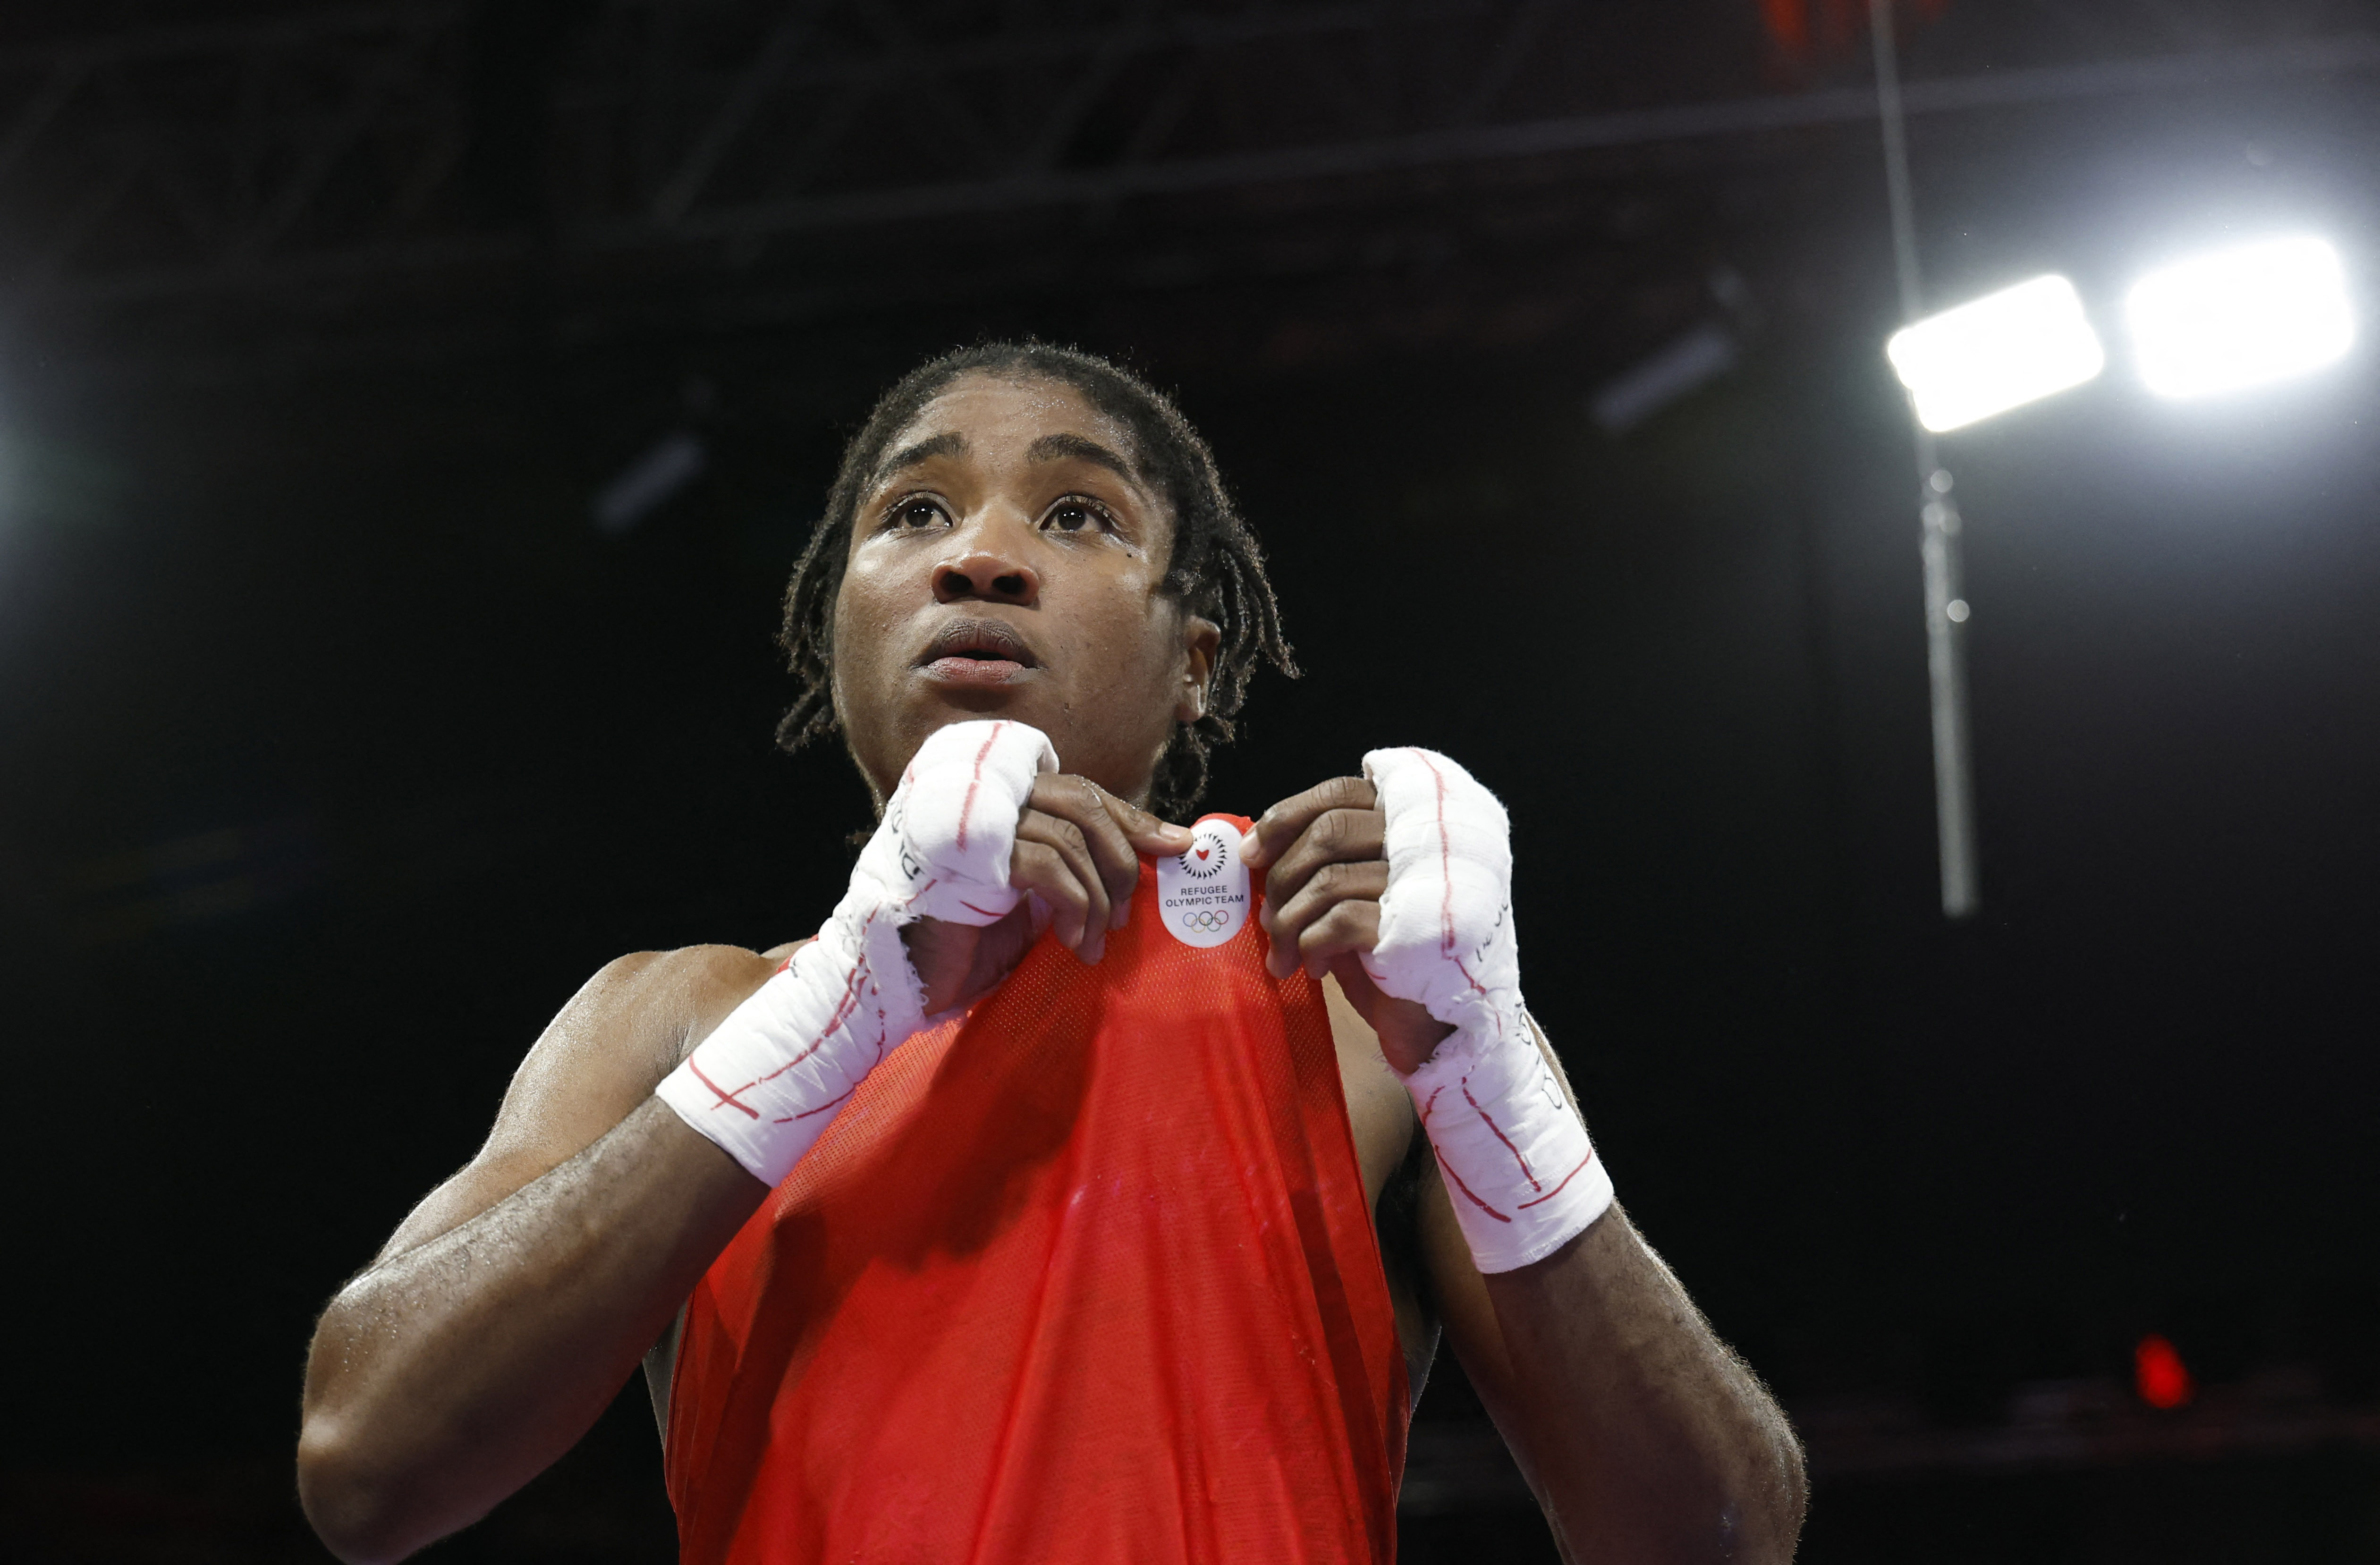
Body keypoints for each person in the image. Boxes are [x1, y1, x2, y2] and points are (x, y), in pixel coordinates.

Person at [297, 342, 1806, 1564]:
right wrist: (841, 1006)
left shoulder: (1361, 1009)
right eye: (914, 516)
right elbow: (367, 1466)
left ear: (1195, 658)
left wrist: (1485, 1066)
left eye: (1076, 514)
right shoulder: (680, 1012)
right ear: (840, 628)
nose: (982, 558)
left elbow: (1718, 1538)